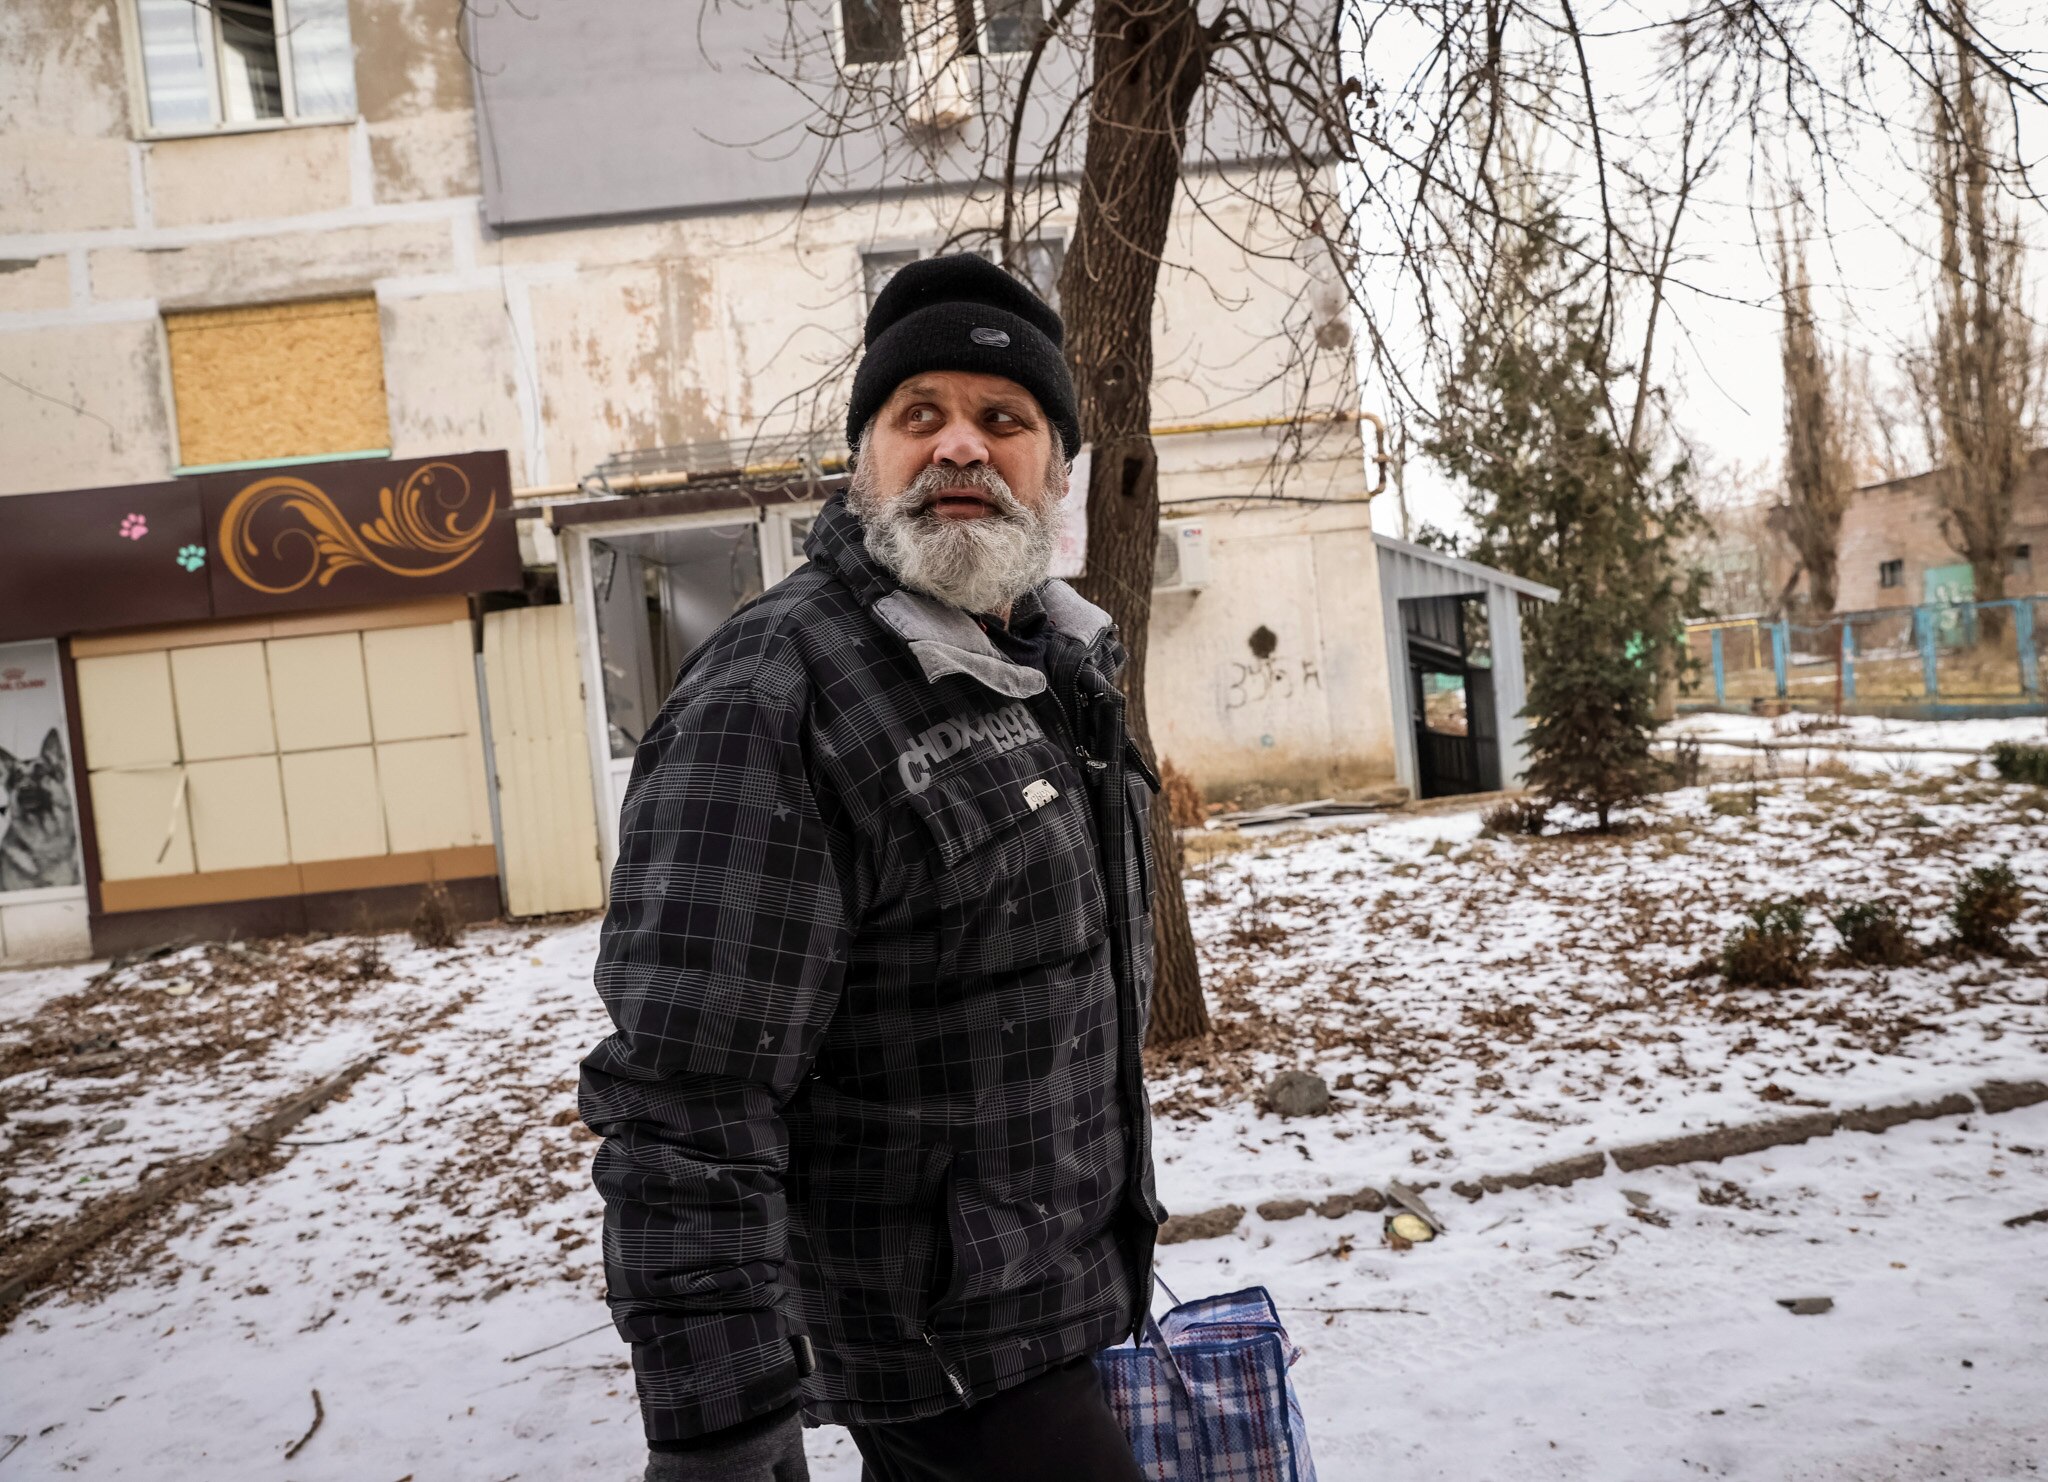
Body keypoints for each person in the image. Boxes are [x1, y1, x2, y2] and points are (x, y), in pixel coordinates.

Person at [581, 254, 1163, 1482]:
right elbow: (686, 1095)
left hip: (1047, 1304)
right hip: (937, 1349)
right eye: (920, 417)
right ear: (866, 464)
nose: (961, 448)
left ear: (1053, 474)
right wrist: (724, 1427)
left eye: (1003, 422)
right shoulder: (772, 694)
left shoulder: (1047, 662)